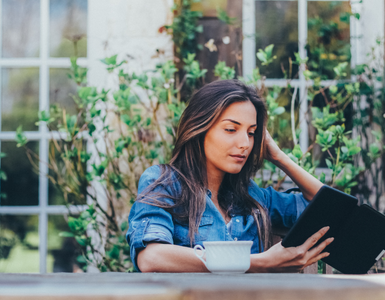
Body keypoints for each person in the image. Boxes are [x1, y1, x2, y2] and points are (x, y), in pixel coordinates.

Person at [126, 79, 333, 273]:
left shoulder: (252, 198)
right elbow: (151, 256)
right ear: (199, 128)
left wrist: (279, 157)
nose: (245, 143)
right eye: (231, 129)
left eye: (251, 133)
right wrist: (260, 263)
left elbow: (329, 208)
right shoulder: (165, 183)